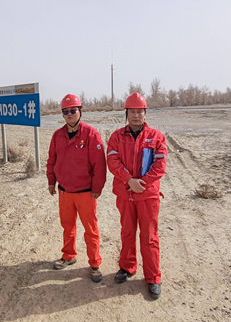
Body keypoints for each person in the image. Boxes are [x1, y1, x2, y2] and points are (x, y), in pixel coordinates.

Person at [106, 92, 168, 299]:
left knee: (149, 237)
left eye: (139, 111)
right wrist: (129, 180)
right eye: (132, 111)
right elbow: (113, 162)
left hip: (147, 196)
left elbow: (160, 165)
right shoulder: (116, 137)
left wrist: (143, 183)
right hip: (125, 194)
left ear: (145, 113)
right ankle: (127, 266)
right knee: (127, 232)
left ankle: (153, 277)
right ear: (126, 113)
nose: (135, 115)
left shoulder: (157, 137)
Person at [46, 94, 107, 282]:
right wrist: (51, 181)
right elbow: (51, 160)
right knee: (67, 226)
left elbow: (99, 165)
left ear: (80, 111)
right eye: (66, 111)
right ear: (62, 114)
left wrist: (97, 187)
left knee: (91, 229)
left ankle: (94, 263)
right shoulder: (58, 136)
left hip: (85, 193)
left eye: (73, 110)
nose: (70, 114)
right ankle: (68, 255)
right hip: (65, 192)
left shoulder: (91, 134)